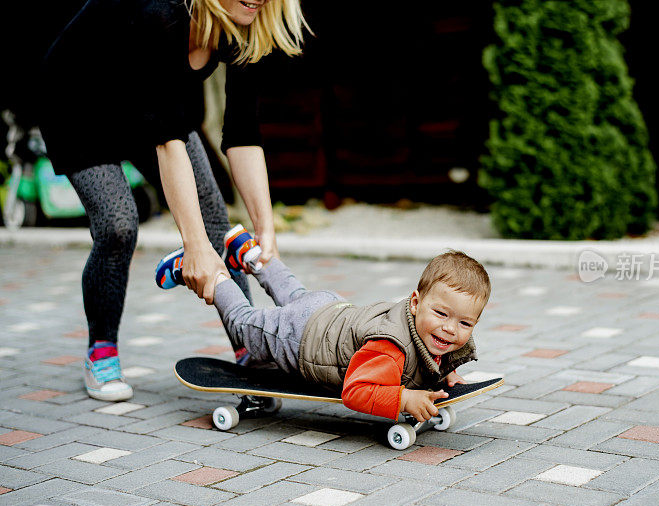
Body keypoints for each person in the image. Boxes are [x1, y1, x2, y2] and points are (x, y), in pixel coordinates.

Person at [38, 0, 308, 401]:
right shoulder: (162, 13)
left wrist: (266, 232)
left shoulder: (242, 23)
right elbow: (168, 142)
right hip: (78, 106)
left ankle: (249, 349)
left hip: (150, 107)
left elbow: (242, 133)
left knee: (217, 221)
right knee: (118, 225)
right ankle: (101, 351)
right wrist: (195, 248)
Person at [156, 239, 492, 422]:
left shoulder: (428, 327)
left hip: (329, 307)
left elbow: (434, 352)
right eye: (442, 314)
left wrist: (446, 373)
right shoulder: (391, 348)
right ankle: (208, 274)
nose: (450, 330)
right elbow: (355, 391)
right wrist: (403, 397)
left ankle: (250, 254)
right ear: (416, 303)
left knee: (295, 293)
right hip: (300, 338)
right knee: (245, 325)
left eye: (465, 323)